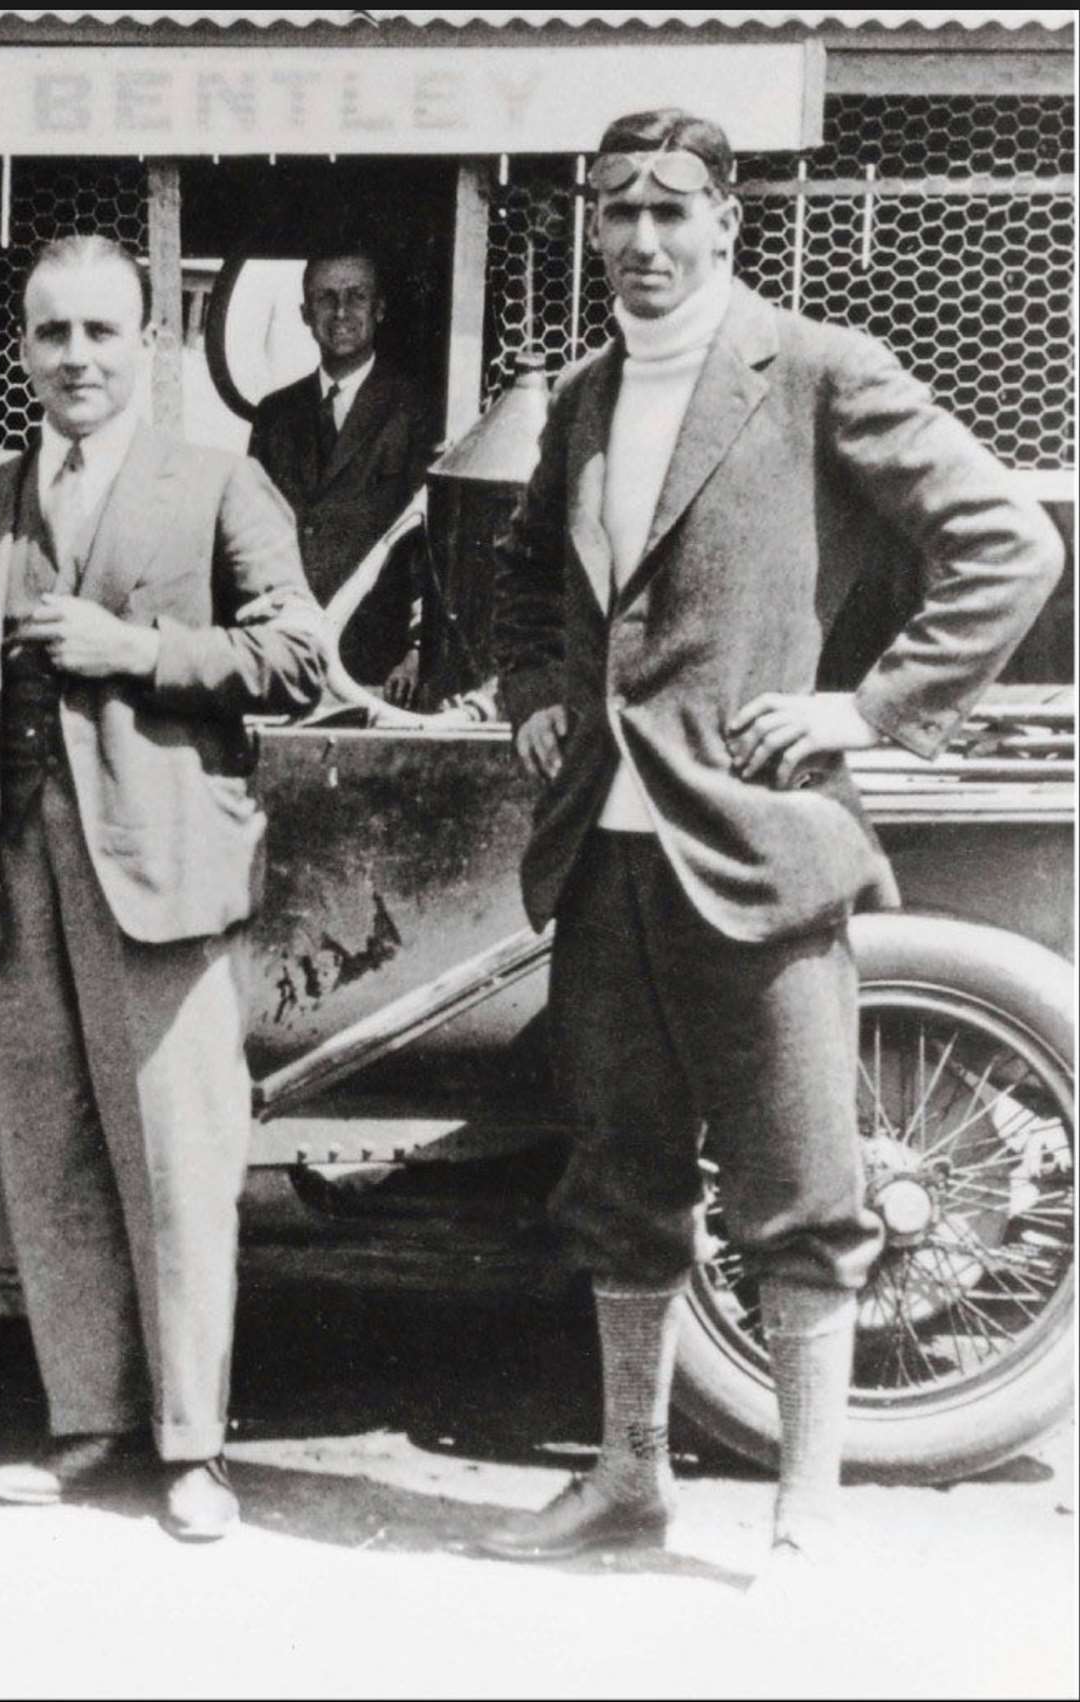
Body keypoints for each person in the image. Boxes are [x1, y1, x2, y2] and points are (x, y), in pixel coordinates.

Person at [477, 110, 1060, 1572]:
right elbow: (526, 562)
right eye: (619, 213)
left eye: (676, 214)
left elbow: (1008, 542)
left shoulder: (817, 371)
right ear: (592, 227)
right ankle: (627, 1480)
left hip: (761, 851)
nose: (646, 243)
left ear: (730, 223)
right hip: (605, 852)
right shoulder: (587, 393)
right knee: (618, 1184)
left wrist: (865, 711)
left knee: (801, 1188)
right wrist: (539, 692)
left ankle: (806, 1509)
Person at [0, 235, 331, 1542]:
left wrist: (134, 649)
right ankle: (85, 1424)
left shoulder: (218, 482)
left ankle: (194, 1449)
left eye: (99, 333)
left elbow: (303, 655)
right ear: (22, 349)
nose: (74, 358)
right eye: (50, 333)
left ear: (147, 344)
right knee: (53, 1154)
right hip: (13, 868)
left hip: (163, 868)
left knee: (180, 1163)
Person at [247, 250, 439, 701]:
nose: (340, 313)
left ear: (380, 309)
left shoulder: (416, 410)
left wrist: (416, 650)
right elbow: (253, 535)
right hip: (290, 653)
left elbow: (429, 544)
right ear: (305, 313)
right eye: (325, 299)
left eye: (356, 297)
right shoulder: (275, 415)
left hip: (379, 665)